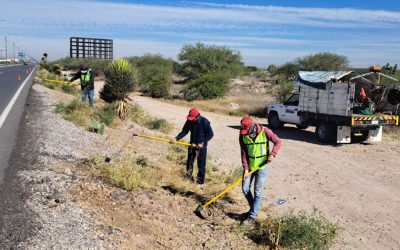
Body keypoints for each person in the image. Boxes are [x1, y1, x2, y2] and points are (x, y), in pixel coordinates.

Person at [239, 116, 281, 225]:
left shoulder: (265, 131)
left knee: (257, 192)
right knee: (245, 188)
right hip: (250, 167)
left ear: (252, 127)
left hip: (262, 166)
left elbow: (278, 142)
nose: (245, 133)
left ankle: (252, 215)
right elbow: (243, 153)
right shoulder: (242, 134)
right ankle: (254, 208)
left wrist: (273, 154)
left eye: (247, 131)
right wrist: (246, 168)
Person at [172, 108, 214, 185]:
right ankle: (188, 177)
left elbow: (210, 134)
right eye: (190, 118)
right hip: (192, 144)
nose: (191, 120)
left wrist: (202, 143)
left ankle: (200, 182)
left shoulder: (205, 122)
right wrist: (176, 138)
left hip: (201, 147)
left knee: (201, 164)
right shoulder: (189, 121)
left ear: (197, 116)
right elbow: (185, 131)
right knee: (189, 162)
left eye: (192, 118)